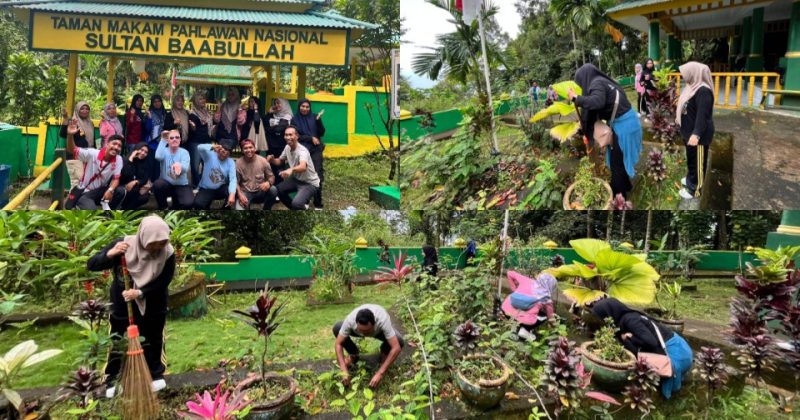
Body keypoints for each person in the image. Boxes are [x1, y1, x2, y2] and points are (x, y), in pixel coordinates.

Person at [87, 215, 175, 397]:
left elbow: (165, 279)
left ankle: (155, 374)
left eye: (162, 242)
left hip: (154, 303)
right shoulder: (123, 245)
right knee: (117, 338)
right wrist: (110, 254)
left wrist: (141, 292)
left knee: (153, 337)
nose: (157, 247)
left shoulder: (167, 252)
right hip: (122, 304)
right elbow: (92, 265)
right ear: (143, 237)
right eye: (153, 243)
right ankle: (113, 378)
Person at [590, 298, 693, 399]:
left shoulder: (630, 320)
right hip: (675, 348)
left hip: (679, 352)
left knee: (630, 345)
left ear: (609, 314)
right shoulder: (623, 321)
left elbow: (650, 342)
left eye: (602, 317)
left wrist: (629, 338)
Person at [569, 63, 642, 198]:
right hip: (629, 122)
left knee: (616, 164)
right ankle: (626, 185)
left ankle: (619, 198)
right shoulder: (604, 82)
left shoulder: (596, 84)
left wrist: (576, 98)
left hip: (623, 127)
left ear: (585, 78)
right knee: (620, 159)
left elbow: (597, 102)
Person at [332, 304, 404, 388]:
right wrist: (343, 370)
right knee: (337, 327)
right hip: (356, 331)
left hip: (379, 332)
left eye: (367, 331)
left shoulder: (382, 320)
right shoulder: (350, 320)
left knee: (399, 341)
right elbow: (338, 344)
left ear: (374, 324)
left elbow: (396, 347)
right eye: (361, 330)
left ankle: (384, 352)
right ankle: (353, 354)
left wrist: (380, 373)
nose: (364, 333)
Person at [675, 62, 715, 200]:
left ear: (695, 73)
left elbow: (703, 116)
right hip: (688, 133)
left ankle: (695, 190)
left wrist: (696, 134)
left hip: (698, 136)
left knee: (698, 163)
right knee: (692, 159)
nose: (683, 76)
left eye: (686, 73)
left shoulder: (703, 91)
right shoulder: (692, 86)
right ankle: (690, 179)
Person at [64, 118, 123, 210]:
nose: (116, 147)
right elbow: (73, 150)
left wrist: (110, 190)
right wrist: (70, 135)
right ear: (107, 144)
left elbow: (116, 179)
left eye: (119, 146)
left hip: (100, 191)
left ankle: (108, 211)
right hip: (86, 191)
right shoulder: (93, 154)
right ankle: (80, 204)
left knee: (120, 191)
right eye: (114, 144)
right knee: (92, 210)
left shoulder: (119, 159)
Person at [268, 126, 320, 210]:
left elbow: (303, 167)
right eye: (286, 135)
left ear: (297, 136)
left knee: (297, 204)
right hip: (297, 179)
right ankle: (295, 209)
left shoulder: (302, 151)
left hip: (310, 183)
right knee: (278, 190)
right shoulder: (287, 147)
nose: (288, 137)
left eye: (290, 135)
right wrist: (272, 160)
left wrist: (291, 169)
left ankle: (297, 208)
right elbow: (280, 161)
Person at [502, 271, 557, 340]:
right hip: (525, 320)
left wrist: (514, 290)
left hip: (506, 310)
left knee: (518, 311)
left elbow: (509, 273)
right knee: (544, 316)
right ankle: (525, 330)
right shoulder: (546, 298)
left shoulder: (527, 280)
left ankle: (514, 329)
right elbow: (551, 318)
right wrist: (556, 328)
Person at [291, 98, 325, 209]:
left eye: (307, 107)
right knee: (305, 175)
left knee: (317, 173)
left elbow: (322, 133)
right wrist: (310, 138)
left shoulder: (314, 116)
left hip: (315, 149)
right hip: (303, 150)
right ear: (299, 107)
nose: (305, 109)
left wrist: (319, 121)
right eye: (303, 106)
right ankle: (304, 200)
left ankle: (318, 203)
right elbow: (296, 135)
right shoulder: (294, 119)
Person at [153, 129, 193, 209]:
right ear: (168, 140)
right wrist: (163, 140)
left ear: (180, 140)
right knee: (157, 184)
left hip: (181, 185)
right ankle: (164, 207)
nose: (174, 139)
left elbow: (185, 167)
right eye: (171, 138)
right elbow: (158, 157)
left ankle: (175, 206)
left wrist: (179, 166)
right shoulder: (164, 151)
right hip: (167, 184)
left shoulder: (184, 152)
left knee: (188, 203)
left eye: (177, 137)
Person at [193, 138, 238, 209]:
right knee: (198, 204)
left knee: (234, 191)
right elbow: (199, 148)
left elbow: (233, 179)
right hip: (207, 189)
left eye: (226, 149)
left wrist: (232, 195)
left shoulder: (231, 162)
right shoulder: (209, 156)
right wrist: (212, 146)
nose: (223, 150)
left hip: (220, 189)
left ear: (229, 153)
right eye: (222, 147)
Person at [235, 138, 277, 210]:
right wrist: (240, 195)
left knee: (273, 190)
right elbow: (235, 182)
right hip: (245, 192)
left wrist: (268, 183)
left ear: (255, 148)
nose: (248, 150)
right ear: (242, 150)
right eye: (245, 148)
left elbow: (272, 177)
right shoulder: (238, 163)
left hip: (260, 191)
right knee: (239, 209)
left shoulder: (263, 161)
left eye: (250, 147)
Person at [111, 141, 152, 210]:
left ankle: (126, 209)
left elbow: (144, 179)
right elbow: (125, 174)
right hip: (121, 186)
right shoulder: (125, 160)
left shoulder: (146, 163)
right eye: (141, 150)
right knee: (125, 190)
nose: (143, 153)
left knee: (145, 197)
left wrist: (135, 181)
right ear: (136, 149)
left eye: (146, 152)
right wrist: (131, 158)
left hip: (134, 189)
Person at [187, 92, 215, 188]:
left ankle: (203, 184)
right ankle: (196, 185)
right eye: (200, 99)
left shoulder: (207, 113)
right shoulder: (192, 114)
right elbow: (192, 129)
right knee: (195, 167)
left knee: (207, 164)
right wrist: (193, 127)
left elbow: (210, 127)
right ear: (195, 101)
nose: (203, 101)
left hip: (207, 141)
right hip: (195, 143)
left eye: (203, 99)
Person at [265, 98, 293, 181]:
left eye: (279, 103)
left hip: (281, 148)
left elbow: (279, 129)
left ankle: (279, 191)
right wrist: (269, 113)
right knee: (269, 169)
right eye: (275, 103)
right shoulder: (273, 115)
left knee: (279, 171)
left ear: (284, 105)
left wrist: (270, 128)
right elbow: (264, 125)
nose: (277, 105)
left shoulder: (287, 117)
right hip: (270, 146)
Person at [146, 95, 167, 182]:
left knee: (160, 164)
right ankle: (151, 183)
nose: (157, 103)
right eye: (155, 101)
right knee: (151, 164)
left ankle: (158, 183)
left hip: (163, 142)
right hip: (152, 142)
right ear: (152, 103)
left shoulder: (165, 113)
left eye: (159, 101)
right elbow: (147, 128)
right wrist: (149, 118)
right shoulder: (149, 113)